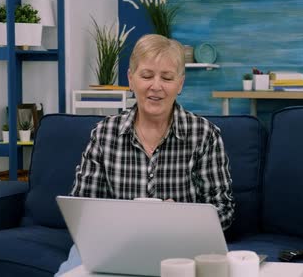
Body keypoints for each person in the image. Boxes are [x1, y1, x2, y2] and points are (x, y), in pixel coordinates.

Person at [56, 34, 234, 275]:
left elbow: (223, 208)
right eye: (147, 76)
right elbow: (82, 207)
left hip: (181, 248)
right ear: (131, 79)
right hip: (111, 245)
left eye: (167, 77)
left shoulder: (204, 135)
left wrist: (182, 219)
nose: (156, 86)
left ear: (180, 83)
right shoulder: (105, 134)